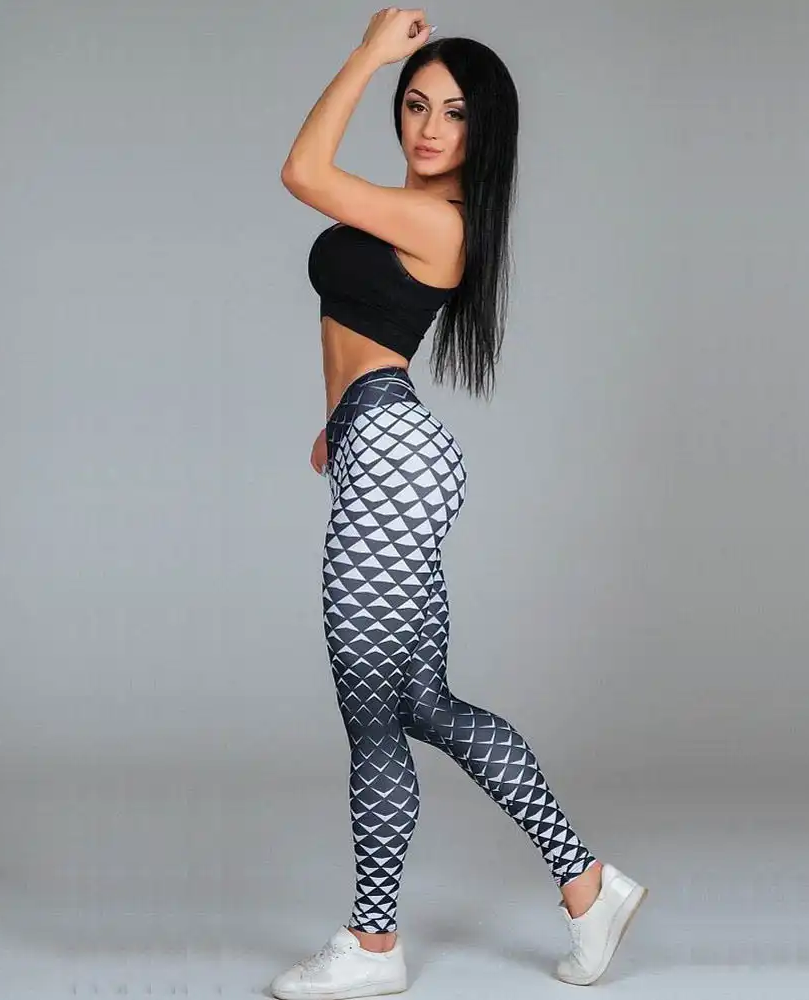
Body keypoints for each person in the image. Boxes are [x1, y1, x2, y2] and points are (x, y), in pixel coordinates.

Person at [270, 11, 647, 998]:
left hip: (393, 456)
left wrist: (370, 53)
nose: (430, 127)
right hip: (382, 442)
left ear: (485, 134)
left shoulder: (440, 222)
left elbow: (303, 172)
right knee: (423, 704)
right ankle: (588, 887)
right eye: (415, 104)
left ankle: (373, 946)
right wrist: (337, 421)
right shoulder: (404, 210)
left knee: (373, 717)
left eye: (454, 113)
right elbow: (361, 325)